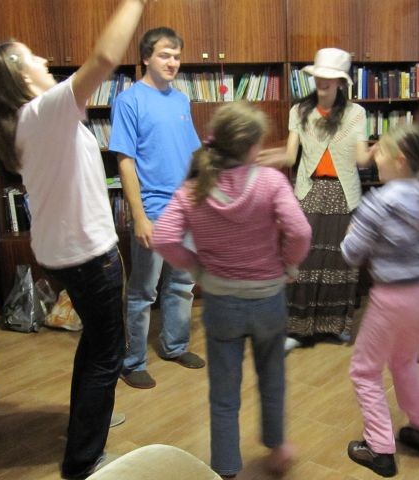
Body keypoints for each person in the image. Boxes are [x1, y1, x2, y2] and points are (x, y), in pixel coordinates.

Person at [0, 1, 150, 478]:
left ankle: (87, 423)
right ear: (18, 73)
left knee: (95, 345)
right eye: (32, 55)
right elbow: (104, 59)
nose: (44, 60)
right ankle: (84, 459)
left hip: (63, 255)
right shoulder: (43, 111)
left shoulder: (27, 122)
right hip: (89, 258)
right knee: (106, 354)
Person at [151, 102, 312, 479]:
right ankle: (276, 447)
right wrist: (289, 264)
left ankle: (225, 467)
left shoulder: (194, 188)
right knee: (272, 377)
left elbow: (163, 238)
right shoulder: (271, 182)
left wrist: (197, 268)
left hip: (222, 304)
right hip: (268, 301)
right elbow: (300, 232)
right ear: (253, 147)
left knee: (223, 392)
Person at [340, 124, 419, 477]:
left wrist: (350, 233)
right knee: (404, 363)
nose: (374, 156)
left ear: (400, 160)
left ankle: (379, 449)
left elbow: (351, 253)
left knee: (364, 370)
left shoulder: (379, 201)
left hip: (392, 298)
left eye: (381, 151)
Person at [108, 26, 205, 390]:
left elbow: (193, 153)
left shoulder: (181, 100)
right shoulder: (129, 101)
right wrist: (139, 217)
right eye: (165, 55)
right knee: (143, 291)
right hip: (154, 209)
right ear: (146, 57)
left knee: (182, 284)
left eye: (177, 56)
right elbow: (125, 162)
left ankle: (174, 346)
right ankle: (132, 361)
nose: (172, 62)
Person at [257, 48, 370, 351]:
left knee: (340, 262)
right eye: (320, 75)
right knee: (302, 260)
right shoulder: (299, 111)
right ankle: (296, 328)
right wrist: (268, 156)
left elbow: (361, 160)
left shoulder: (356, 114)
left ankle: (336, 326)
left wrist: (385, 152)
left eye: (330, 76)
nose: (323, 81)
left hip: (344, 194)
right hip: (308, 192)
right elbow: (291, 156)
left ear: (341, 81)